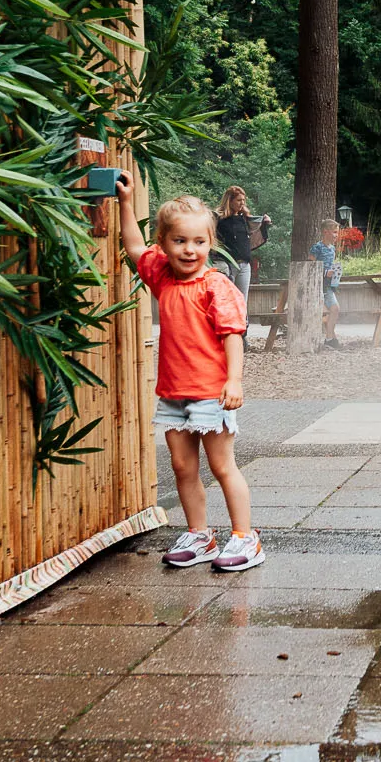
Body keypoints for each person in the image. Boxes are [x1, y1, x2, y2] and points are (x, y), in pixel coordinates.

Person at [115, 175, 263, 574]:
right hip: (173, 394)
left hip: (212, 393)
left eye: (199, 241)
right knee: (182, 467)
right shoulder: (161, 277)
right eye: (179, 241)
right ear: (163, 243)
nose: (189, 249)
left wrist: (235, 380)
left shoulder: (216, 286)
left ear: (210, 243)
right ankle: (200, 535)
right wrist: (126, 203)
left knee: (222, 466)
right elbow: (132, 246)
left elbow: (233, 335)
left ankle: (245, 538)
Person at [212, 185, 270, 298]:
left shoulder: (244, 218)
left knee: (242, 302)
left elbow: (254, 233)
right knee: (226, 300)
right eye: (239, 200)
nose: (242, 203)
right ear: (230, 200)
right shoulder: (218, 219)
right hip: (227, 265)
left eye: (243, 200)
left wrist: (265, 224)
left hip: (244, 265)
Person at [310, 218, 345, 349]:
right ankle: (330, 338)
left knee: (335, 309)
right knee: (329, 311)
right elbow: (310, 268)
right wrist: (325, 273)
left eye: (337, 232)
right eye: (334, 232)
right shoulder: (317, 247)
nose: (336, 235)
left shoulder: (332, 249)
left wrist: (335, 273)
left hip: (329, 286)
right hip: (317, 286)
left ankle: (329, 338)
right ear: (326, 232)